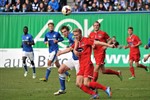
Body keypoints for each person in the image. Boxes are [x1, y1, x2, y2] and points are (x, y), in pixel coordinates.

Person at [73, 28, 114, 99]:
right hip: (81, 66)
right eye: (74, 35)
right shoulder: (77, 42)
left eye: (77, 35)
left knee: (86, 83)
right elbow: (71, 48)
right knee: (78, 83)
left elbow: (97, 42)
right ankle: (94, 94)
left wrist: (108, 45)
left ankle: (106, 88)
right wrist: (73, 51)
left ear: (80, 33)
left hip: (88, 64)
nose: (76, 36)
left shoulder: (86, 40)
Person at [54, 26, 79, 95]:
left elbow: (76, 40)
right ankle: (62, 89)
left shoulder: (71, 36)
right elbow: (72, 45)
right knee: (60, 70)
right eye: (62, 32)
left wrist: (73, 48)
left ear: (68, 31)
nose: (64, 33)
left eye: (65, 31)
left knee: (80, 83)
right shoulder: (69, 37)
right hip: (73, 59)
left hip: (79, 61)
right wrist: (70, 47)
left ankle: (95, 89)